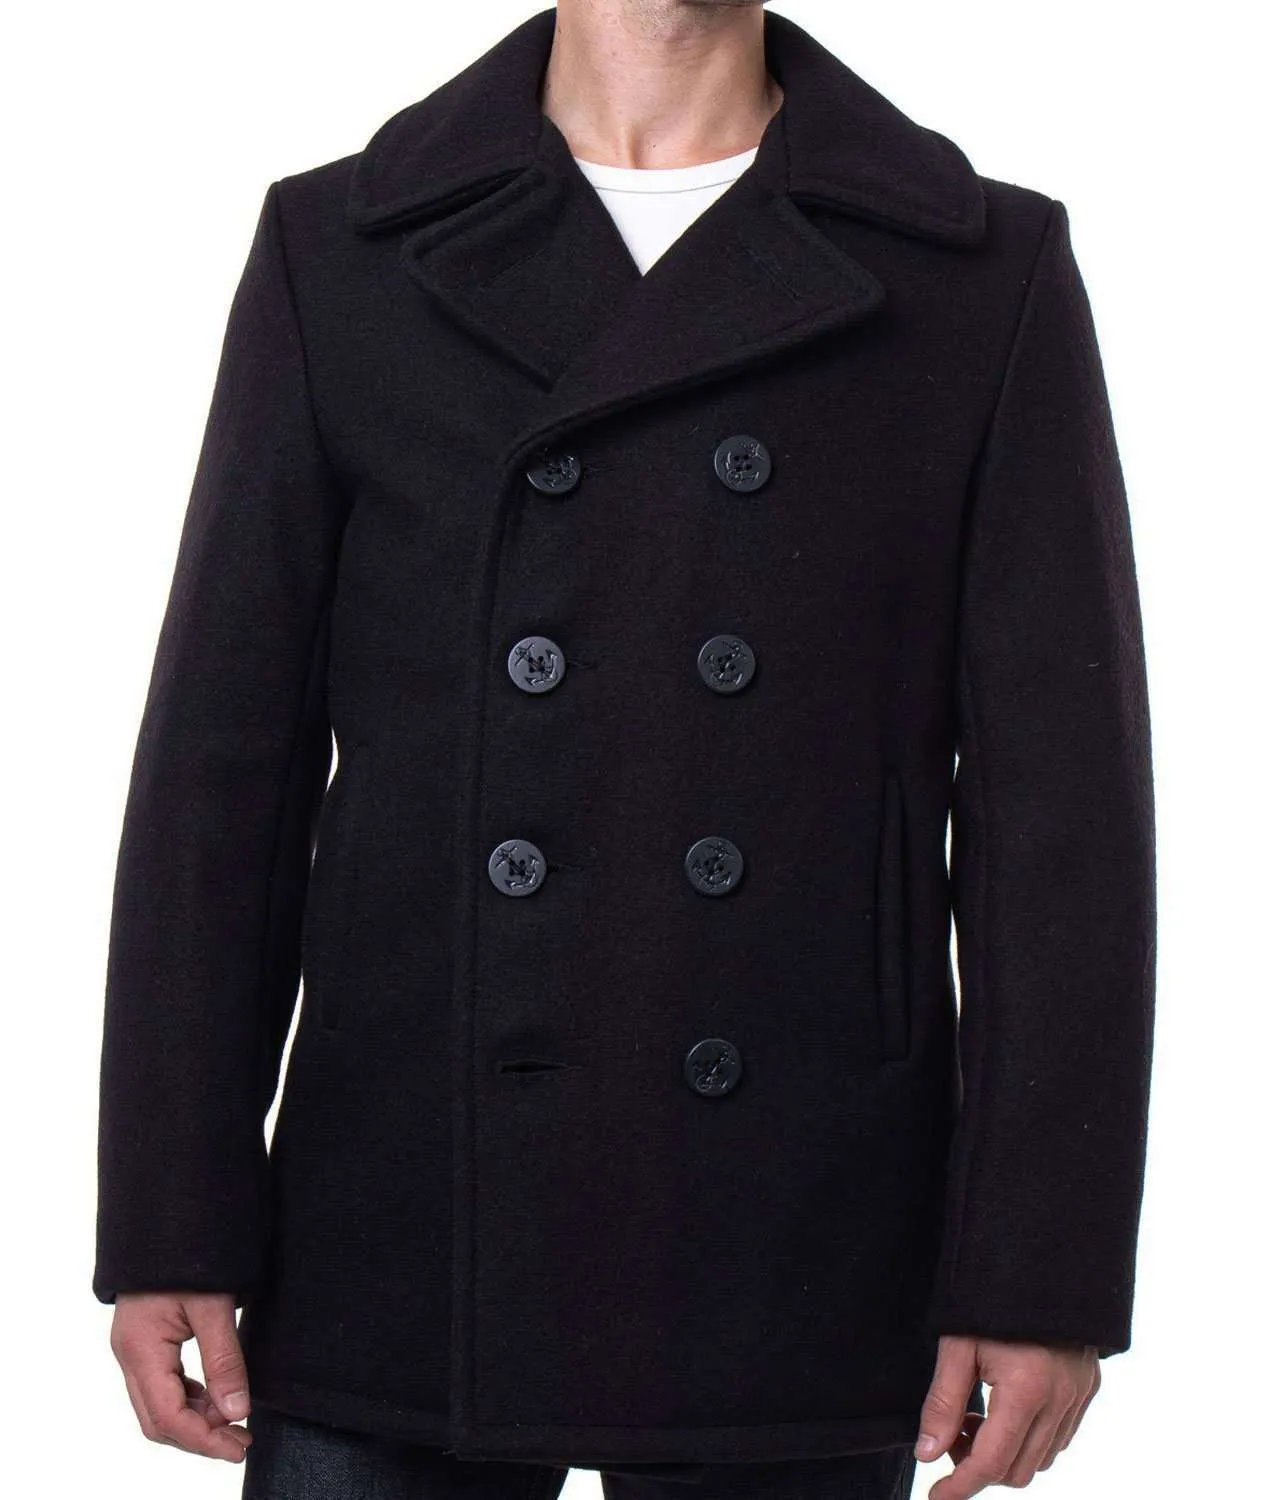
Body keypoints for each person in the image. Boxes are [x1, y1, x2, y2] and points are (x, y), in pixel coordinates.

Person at [93, 4, 1157, 1499]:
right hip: (404, 1206)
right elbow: (222, 771)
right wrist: (173, 1213)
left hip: (797, 1220)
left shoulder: (979, 271)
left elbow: (1063, 825)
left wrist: (1037, 1267)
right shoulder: (339, 248)